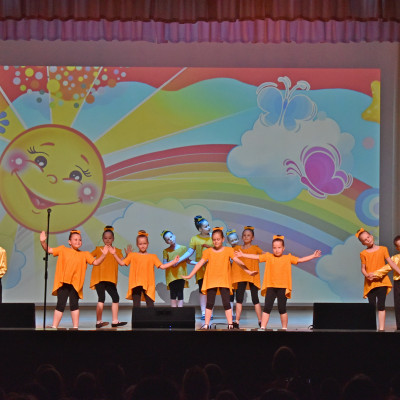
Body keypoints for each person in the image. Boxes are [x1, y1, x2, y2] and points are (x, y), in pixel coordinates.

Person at [236, 235, 321, 330]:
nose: (277, 250)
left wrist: (313, 256)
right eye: (274, 248)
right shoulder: (268, 256)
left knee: (282, 309)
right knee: (267, 308)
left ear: (283, 248)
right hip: (271, 287)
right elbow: (256, 257)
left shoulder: (287, 258)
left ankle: (284, 328)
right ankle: (262, 327)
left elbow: (300, 260)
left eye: (279, 247)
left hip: (283, 287)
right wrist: (243, 255)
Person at [182, 227, 257, 329]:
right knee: (209, 303)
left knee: (226, 303)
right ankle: (206, 324)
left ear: (223, 239)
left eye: (218, 239)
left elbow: (238, 261)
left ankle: (230, 324)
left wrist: (248, 271)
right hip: (211, 281)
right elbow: (199, 263)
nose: (216, 241)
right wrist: (190, 275)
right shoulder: (208, 251)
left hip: (224, 280)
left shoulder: (228, 250)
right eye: (214, 240)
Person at [40, 229, 108, 329]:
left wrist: (104, 255)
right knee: (60, 304)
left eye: (80, 240)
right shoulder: (63, 249)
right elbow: (49, 250)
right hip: (63, 282)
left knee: (74, 305)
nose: (78, 241)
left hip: (75, 284)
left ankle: (75, 327)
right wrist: (43, 242)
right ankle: (54, 326)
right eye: (75, 239)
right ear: (69, 241)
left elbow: (96, 262)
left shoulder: (85, 254)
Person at [110, 230, 179, 307]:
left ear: (148, 244)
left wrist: (173, 261)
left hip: (148, 285)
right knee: (136, 306)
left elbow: (162, 266)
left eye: (144, 243)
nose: (142, 246)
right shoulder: (132, 255)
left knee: (150, 306)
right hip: (136, 284)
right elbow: (122, 263)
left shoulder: (153, 256)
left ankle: (150, 316)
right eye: (140, 244)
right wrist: (114, 254)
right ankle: (137, 316)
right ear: (137, 244)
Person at [355, 228, 400, 331]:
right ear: (363, 243)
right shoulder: (363, 253)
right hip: (370, 283)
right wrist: (367, 275)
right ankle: (372, 328)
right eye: (365, 240)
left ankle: (381, 329)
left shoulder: (383, 249)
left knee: (381, 305)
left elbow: (391, 263)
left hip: (382, 282)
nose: (368, 240)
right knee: (371, 306)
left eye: (368, 237)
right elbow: (363, 268)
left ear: (371, 236)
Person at [90, 226, 127, 328]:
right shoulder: (98, 249)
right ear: (103, 239)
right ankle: (99, 321)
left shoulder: (117, 250)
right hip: (99, 278)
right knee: (101, 298)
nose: (107, 240)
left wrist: (128, 255)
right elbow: (88, 257)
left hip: (110, 279)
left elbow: (123, 262)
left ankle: (115, 321)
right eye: (105, 238)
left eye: (110, 238)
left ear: (113, 239)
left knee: (115, 297)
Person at [178, 216, 213, 319]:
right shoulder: (195, 239)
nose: (208, 227)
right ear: (200, 229)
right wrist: (179, 260)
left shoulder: (213, 236)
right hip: (201, 269)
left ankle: (210, 312)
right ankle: (203, 312)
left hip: (212, 268)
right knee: (202, 290)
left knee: (211, 291)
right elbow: (190, 252)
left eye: (208, 225)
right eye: (205, 226)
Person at [230, 226, 262, 328]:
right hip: (240, 276)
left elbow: (264, 255)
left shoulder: (255, 248)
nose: (246, 237)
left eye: (248, 235)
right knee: (239, 298)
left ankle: (260, 320)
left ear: (252, 237)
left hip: (252, 275)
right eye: (244, 235)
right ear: (242, 237)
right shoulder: (236, 248)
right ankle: (237, 321)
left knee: (255, 298)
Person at [370, 234, 400, 331]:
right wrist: (374, 274)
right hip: (398, 282)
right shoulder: (395, 258)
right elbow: (385, 268)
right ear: (397, 248)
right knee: (398, 304)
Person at [161, 230, 189, 307]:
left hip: (181, 275)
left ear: (174, 236)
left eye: (171, 237)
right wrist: (171, 262)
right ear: (166, 242)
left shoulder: (183, 248)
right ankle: (173, 312)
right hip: (171, 276)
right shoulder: (166, 251)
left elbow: (187, 260)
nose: (170, 239)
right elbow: (164, 264)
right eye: (168, 239)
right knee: (173, 294)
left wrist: (197, 263)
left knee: (180, 293)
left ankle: (180, 312)